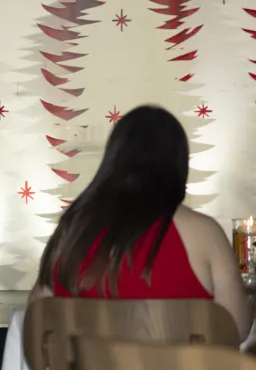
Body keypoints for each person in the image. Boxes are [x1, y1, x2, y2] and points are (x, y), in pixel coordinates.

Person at [30, 105, 252, 340]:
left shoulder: (73, 229)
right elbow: (236, 328)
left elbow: (38, 320)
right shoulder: (205, 234)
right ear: (178, 163)